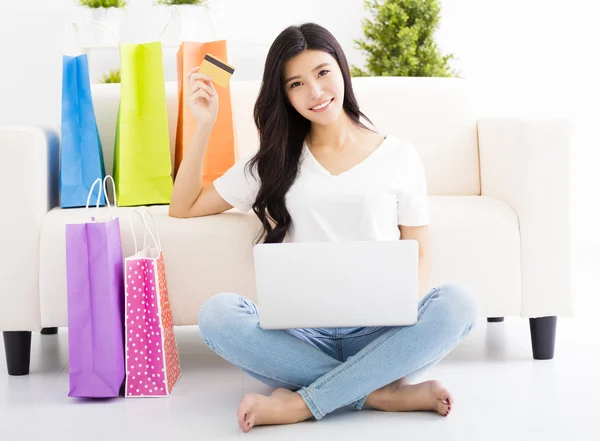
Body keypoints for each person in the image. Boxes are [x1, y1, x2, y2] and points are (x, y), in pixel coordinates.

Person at [169, 22, 478, 433]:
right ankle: (379, 393)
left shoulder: (399, 155)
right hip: (301, 337)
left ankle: (301, 402)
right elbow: (183, 206)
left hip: (382, 333)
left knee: (458, 303)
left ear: (341, 69)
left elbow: (419, 251)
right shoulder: (274, 162)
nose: (314, 92)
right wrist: (203, 125)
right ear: (285, 96)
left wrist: (402, 312)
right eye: (296, 83)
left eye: (322, 72)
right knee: (217, 315)